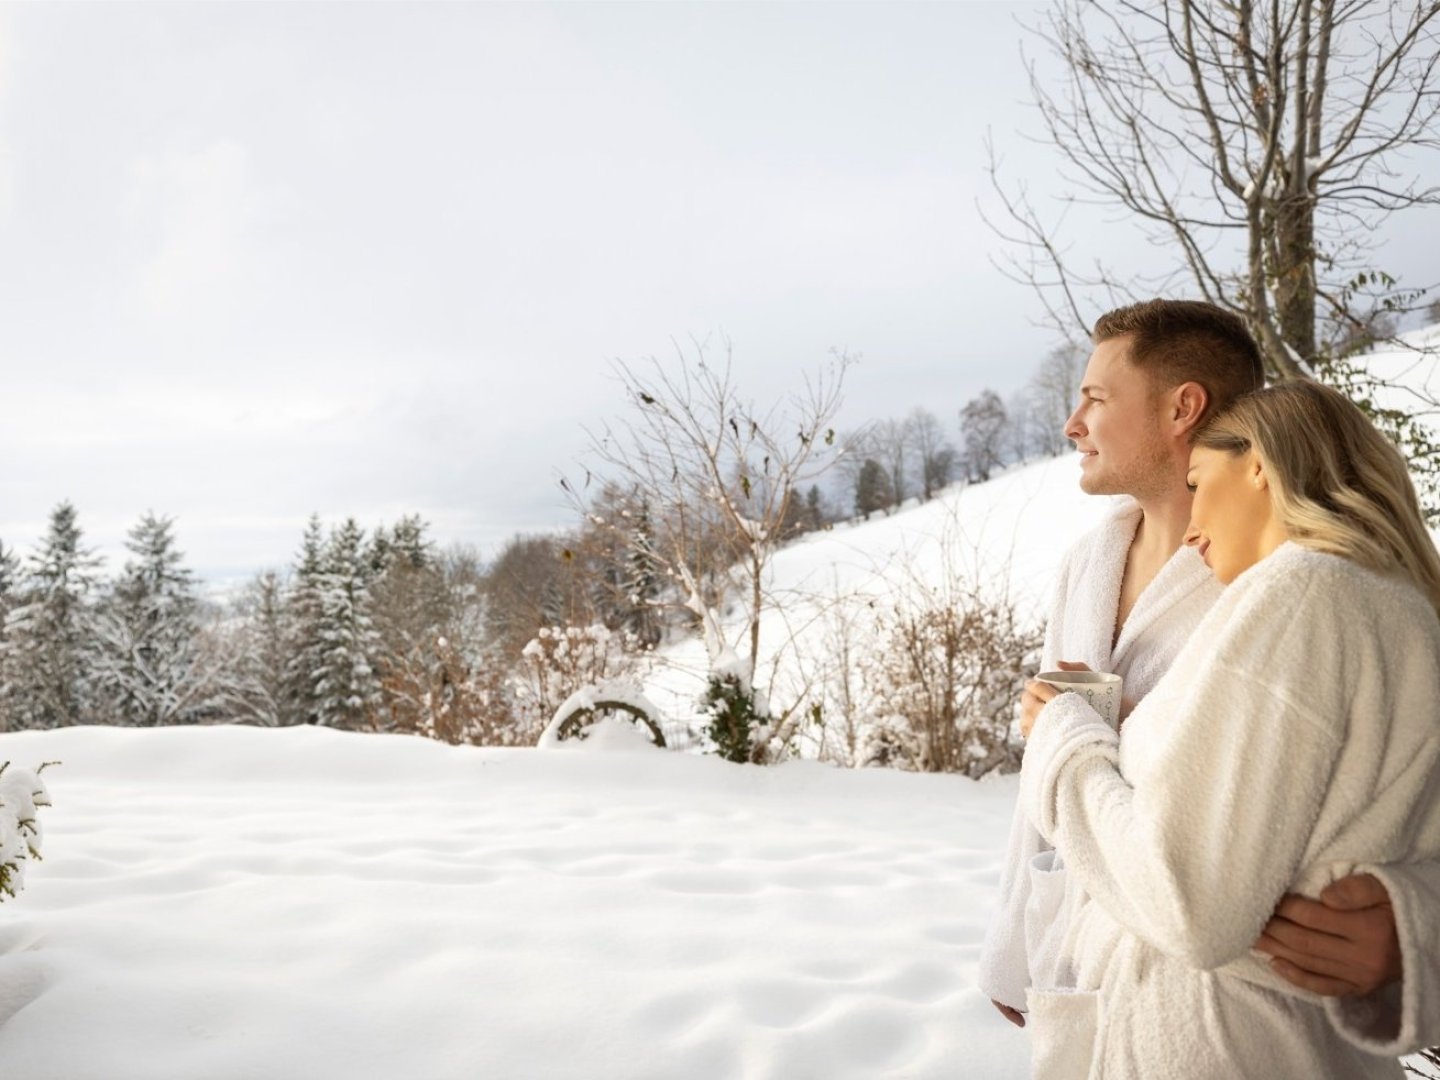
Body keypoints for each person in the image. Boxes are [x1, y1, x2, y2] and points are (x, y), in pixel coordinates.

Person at [976, 300, 1440, 1040]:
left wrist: (1423, 933)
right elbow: (1048, 781)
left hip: (1231, 1019)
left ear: (1182, 407)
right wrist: (1019, 941)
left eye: (1095, 398)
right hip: (1093, 983)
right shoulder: (1088, 566)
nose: (1071, 424)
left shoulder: (1279, 584)